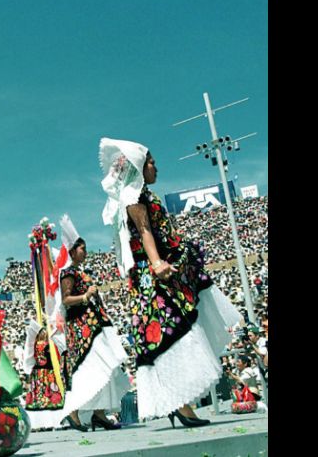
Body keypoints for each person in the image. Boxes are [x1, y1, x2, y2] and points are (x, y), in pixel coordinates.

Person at [99, 138, 241, 428]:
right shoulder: (133, 198)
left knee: (178, 332)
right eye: (151, 162)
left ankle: (182, 404)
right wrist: (157, 263)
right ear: (139, 167)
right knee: (174, 334)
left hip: (159, 273)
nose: (156, 167)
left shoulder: (144, 196)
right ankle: (180, 404)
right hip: (154, 278)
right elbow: (145, 231)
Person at [57, 214, 131, 432]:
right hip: (82, 329)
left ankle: (100, 413)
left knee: (104, 366)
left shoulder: (81, 272)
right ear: (72, 251)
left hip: (95, 325)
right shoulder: (68, 273)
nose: (85, 253)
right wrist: (86, 296)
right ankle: (74, 412)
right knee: (87, 367)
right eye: (82, 249)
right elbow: (66, 300)